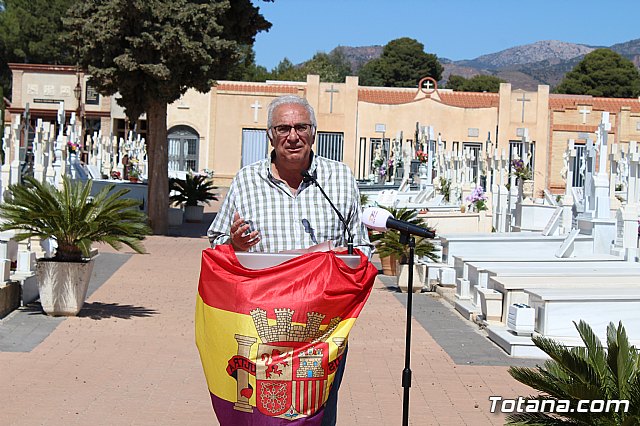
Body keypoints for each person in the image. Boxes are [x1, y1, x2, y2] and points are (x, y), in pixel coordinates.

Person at [207, 94, 371, 425]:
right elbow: (217, 243)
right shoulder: (245, 181)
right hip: (262, 326)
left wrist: (342, 266)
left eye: (301, 127)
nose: (292, 136)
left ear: (314, 132)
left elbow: (361, 247)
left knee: (318, 415)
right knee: (263, 412)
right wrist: (234, 243)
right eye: (283, 127)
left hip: (322, 329)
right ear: (270, 134)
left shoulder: (339, 179)